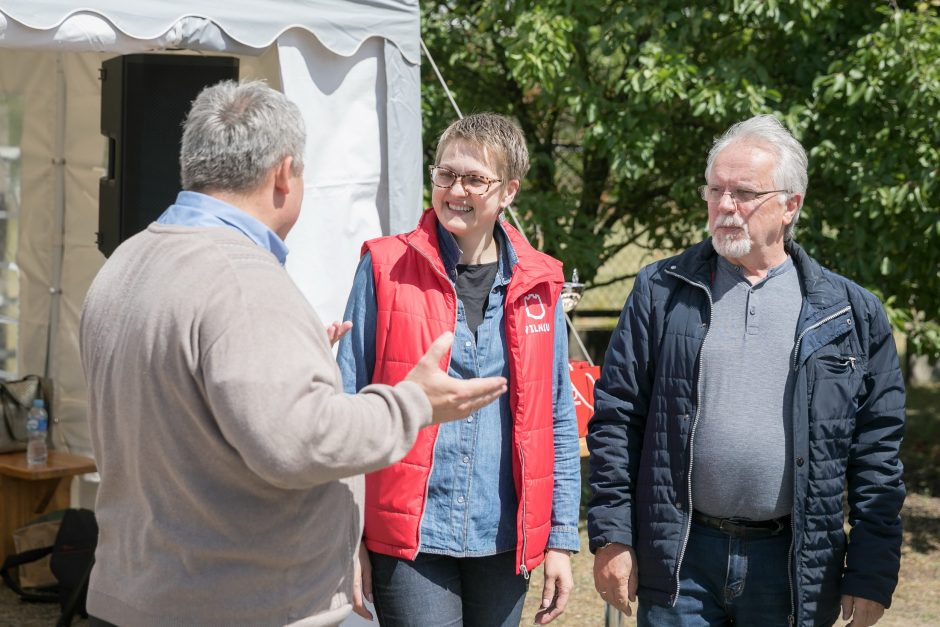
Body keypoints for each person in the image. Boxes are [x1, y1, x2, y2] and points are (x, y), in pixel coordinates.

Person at [79, 80, 508, 627]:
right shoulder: (241, 281)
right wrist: (413, 403)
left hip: (143, 593)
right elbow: (299, 442)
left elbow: (186, 407)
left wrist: (293, 359)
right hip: (230, 606)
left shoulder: (128, 260)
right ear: (284, 174)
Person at [587, 114, 905, 627]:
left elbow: (878, 452)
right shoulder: (661, 292)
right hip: (681, 557)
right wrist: (613, 535)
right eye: (716, 190)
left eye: (744, 193)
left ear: (789, 206)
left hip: (793, 564)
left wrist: (871, 571)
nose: (725, 206)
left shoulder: (849, 313)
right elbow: (617, 421)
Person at [337, 112, 581, 626]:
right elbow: (346, 405)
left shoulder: (541, 283)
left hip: (503, 536)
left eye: (475, 179)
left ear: (508, 191)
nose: (456, 190)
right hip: (410, 537)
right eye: (446, 174)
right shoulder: (384, 267)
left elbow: (556, 418)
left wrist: (560, 538)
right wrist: (347, 532)